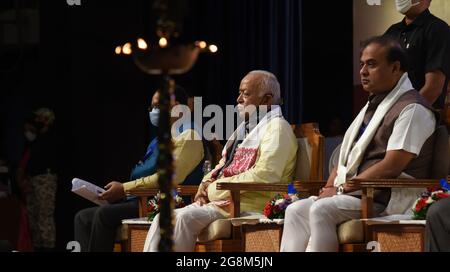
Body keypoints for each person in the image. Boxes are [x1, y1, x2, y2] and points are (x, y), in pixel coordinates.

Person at [281, 36, 438, 252]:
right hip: (355, 193)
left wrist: (341, 189)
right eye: (362, 64)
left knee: (321, 209)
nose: (363, 71)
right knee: (296, 210)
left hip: (387, 195)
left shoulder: (412, 109)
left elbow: (392, 165)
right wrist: (329, 187)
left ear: (395, 68)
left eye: (371, 64)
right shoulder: (373, 105)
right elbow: (347, 157)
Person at [143, 70, 298, 252]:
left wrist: (215, 188)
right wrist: (205, 183)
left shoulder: (278, 129)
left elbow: (267, 174)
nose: (239, 99)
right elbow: (223, 164)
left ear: (266, 100)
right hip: (225, 201)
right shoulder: (244, 128)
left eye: (245, 94)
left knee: (180, 219)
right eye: (239, 93)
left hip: (247, 204)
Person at [74, 85, 205, 252]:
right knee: (82, 218)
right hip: (142, 198)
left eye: (158, 106)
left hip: (168, 201)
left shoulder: (189, 136)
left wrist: (124, 189)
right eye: (152, 107)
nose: (153, 111)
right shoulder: (158, 141)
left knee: (104, 215)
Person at [384, 0, 450, 109]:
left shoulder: (437, 29)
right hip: (388, 111)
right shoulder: (392, 31)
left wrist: (403, 113)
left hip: (421, 115)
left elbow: (433, 88)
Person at [16, 108, 57, 251]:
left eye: (40, 119)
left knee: (44, 215)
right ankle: (37, 246)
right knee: (33, 216)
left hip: (45, 179)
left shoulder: (50, 138)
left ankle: (47, 247)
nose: (37, 121)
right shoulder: (34, 140)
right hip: (32, 179)